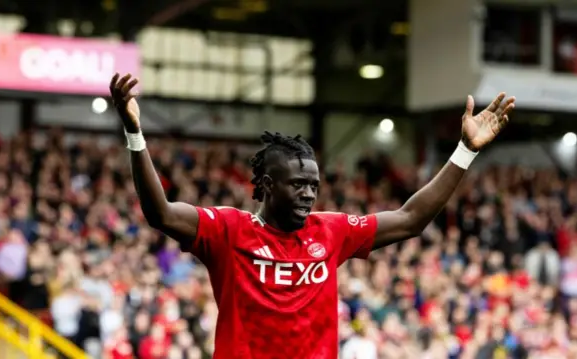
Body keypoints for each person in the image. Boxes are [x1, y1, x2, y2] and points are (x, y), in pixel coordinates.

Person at [109, 73, 515, 359]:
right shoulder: (228, 230)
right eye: (297, 184)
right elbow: (159, 213)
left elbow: (411, 219)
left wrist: (465, 151)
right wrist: (134, 134)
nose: (308, 193)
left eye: (314, 185)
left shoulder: (332, 231)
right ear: (267, 185)